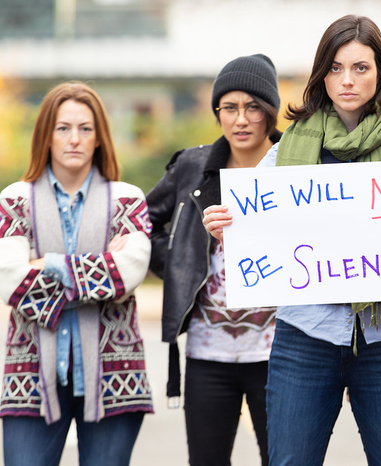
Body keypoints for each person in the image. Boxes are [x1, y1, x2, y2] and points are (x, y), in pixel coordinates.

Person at [203, 15, 381, 466]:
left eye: (361, 68)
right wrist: (228, 231)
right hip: (305, 338)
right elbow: (257, 246)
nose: (347, 80)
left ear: (380, 73)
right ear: (321, 73)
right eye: (336, 67)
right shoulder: (285, 154)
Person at [0, 81, 153, 465]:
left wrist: (47, 264)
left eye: (85, 129)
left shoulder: (128, 199)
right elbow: (10, 279)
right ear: (45, 135)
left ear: (99, 137)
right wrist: (97, 271)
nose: (74, 139)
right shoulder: (14, 199)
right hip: (29, 378)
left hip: (115, 375)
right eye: (63, 128)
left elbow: (128, 273)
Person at [146, 54, 282, 466]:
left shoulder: (297, 168)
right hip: (208, 354)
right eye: (229, 107)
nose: (241, 119)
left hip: (280, 354)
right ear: (217, 112)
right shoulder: (192, 166)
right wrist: (179, 268)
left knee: (286, 459)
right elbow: (141, 222)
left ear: (271, 112)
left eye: (253, 107)